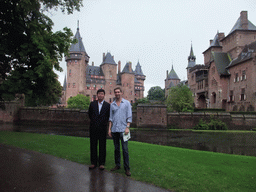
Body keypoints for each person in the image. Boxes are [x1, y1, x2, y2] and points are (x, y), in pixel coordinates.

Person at [108, 87, 132, 176]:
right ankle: (117, 165)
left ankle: (127, 168)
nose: (117, 93)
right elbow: (110, 118)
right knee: (116, 149)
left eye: (118, 92)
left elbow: (129, 116)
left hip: (123, 130)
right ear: (114, 94)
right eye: (115, 92)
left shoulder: (126, 103)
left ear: (121, 93)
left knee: (125, 150)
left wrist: (127, 127)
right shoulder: (112, 105)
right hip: (115, 130)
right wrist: (109, 129)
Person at [88, 89, 110, 170]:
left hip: (102, 129)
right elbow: (89, 114)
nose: (100, 95)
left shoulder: (107, 105)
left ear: (104, 95)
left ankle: (101, 163)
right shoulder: (92, 104)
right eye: (99, 94)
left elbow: (108, 116)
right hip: (93, 128)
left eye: (102, 94)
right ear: (97, 95)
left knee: (102, 146)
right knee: (93, 146)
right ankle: (93, 163)